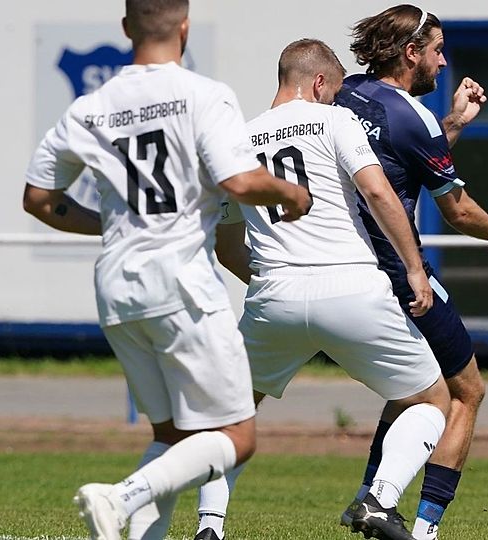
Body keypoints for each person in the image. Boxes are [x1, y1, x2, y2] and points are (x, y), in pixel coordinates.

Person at [21, 1, 311, 539]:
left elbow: (40, 199)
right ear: (184, 28)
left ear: (127, 28)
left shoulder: (90, 109)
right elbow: (240, 182)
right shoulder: (204, 94)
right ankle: (119, 495)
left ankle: (127, 517)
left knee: (174, 438)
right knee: (236, 438)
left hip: (116, 287)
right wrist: (291, 192)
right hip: (180, 284)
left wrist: (110, 225)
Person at [184, 39, 451, 540]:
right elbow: (377, 191)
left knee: (231, 410)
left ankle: (210, 528)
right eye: (333, 92)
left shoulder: (236, 142)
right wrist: (414, 268)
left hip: (273, 293)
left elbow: (225, 244)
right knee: (432, 400)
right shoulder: (334, 120)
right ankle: (379, 501)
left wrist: (276, 283)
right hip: (353, 286)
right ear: (320, 83)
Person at [332, 6, 488, 539]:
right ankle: (418, 527)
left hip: (349, 270)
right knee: (467, 392)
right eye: (437, 49)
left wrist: (453, 124)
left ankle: (368, 502)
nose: (443, 60)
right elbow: (457, 209)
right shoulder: (411, 115)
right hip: (400, 272)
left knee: (409, 392)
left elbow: (401, 158)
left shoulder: (351, 94)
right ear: (411, 53)